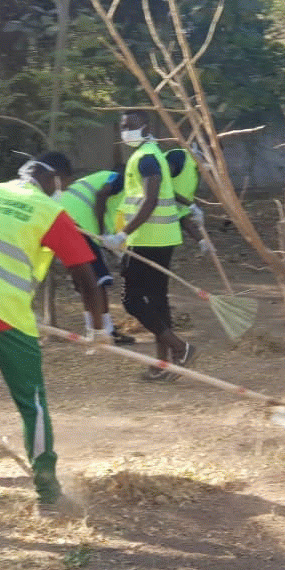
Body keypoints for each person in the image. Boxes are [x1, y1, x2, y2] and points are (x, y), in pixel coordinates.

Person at [0, 151, 110, 542]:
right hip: (4, 311)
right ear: (58, 180)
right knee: (33, 403)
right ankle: (48, 497)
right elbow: (86, 274)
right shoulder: (47, 210)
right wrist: (99, 327)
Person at [96, 111, 196, 382]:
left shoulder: (147, 158)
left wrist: (122, 234)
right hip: (163, 238)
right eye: (122, 126)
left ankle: (180, 347)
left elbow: (151, 201)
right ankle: (165, 362)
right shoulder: (152, 153)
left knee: (132, 300)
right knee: (157, 301)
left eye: (131, 125)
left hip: (146, 240)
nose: (125, 131)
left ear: (146, 126)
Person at [59, 169, 135, 345]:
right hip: (81, 226)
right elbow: (102, 196)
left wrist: (113, 245)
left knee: (85, 281)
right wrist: (101, 234)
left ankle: (92, 329)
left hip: (64, 221)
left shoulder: (101, 178)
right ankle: (105, 332)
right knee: (96, 281)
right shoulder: (120, 179)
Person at [165, 146, 213, 255]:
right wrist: (191, 205)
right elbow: (161, 186)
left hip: (165, 219)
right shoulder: (178, 158)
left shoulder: (195, 172)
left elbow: (182, 216)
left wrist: (201, 240)